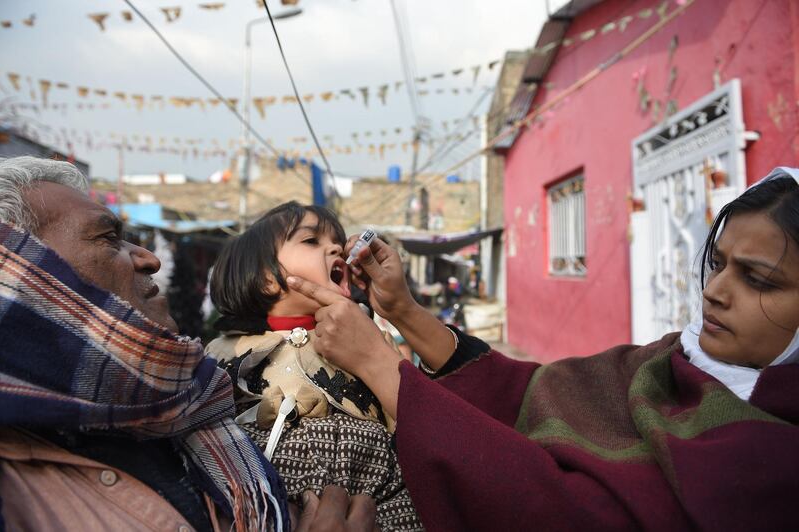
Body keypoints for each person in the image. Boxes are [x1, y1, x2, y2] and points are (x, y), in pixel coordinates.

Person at [286, 167, 799, 530]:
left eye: (758, 279)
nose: (715, 290)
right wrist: (403, 310)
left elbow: (556, 510)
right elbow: (527, 390)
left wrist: (382, 367)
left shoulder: (773, 460)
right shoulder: (669, 362)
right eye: (720, 262)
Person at [0, 156, 376, 531]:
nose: (149, 258)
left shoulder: (195, 407)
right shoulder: (14, 491)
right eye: (108, 238)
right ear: (22, 274)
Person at [207, 201, 422, 531]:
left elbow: (409, 416)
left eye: (335, 240)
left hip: (378, 499)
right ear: (266, 279)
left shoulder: (369, 339)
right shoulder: (223, 351)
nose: (335, 246)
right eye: (311, 241)